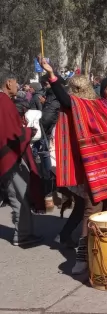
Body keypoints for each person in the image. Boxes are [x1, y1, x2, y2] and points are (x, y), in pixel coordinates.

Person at [40, 58, 107, 274]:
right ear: (102, 92)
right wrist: (52, 75)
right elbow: (66, 101)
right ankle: (83, 256)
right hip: (96, 175)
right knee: (91, 215)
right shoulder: (92, 108)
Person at [0, 69, 44, 246]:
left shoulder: (5, 101)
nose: (18, 85)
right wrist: (29, 131)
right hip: (11, 158)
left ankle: (24, 232)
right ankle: (22, 235)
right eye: (16, 82)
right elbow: (10, 133)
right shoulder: (4, 102)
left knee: (19, 195)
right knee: (20, 196)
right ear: (8, 82)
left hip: (10, 156)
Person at [55, 74, 98, 248]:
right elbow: (64, 99)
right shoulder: (74, 105)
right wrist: (52, 78)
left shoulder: (89, 105)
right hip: (79, 161)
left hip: (87, 159)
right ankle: (76, 239)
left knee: (84, 204)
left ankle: (68, 236)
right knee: (84, 204)